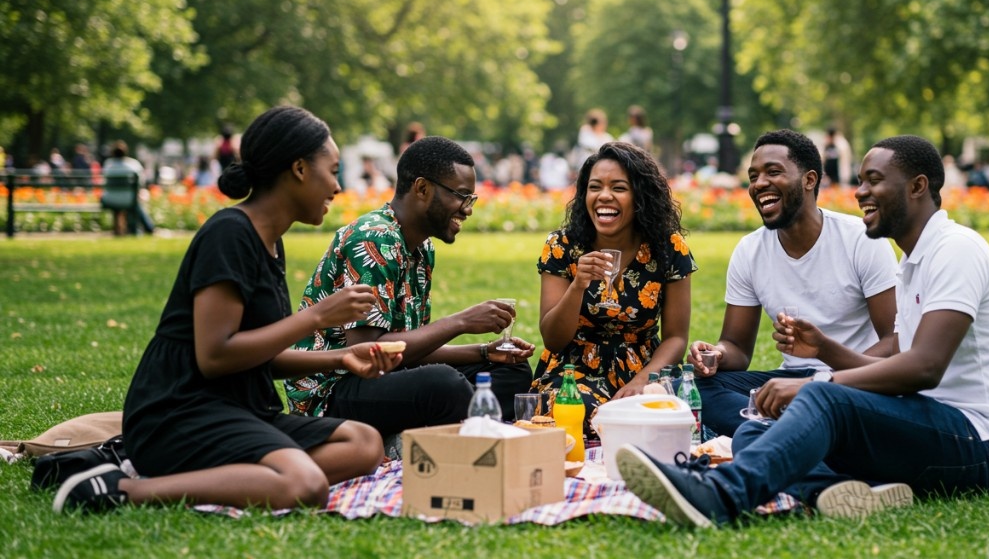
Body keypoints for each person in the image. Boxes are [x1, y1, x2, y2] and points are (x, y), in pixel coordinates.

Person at [617, 135, 989, 527]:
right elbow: (903, 363)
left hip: (980, 442)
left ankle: (720, 495)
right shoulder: (912, 265)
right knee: (757, 431)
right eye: (861, 181)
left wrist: (819, 382)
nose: (860, 192)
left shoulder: (956, 249)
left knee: (815, 401)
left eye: (874, 180)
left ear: (918, 186)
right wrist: (825, 351)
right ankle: (848, 490)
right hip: (919, 419)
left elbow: (924, 367)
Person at [51, 106, 396, 514]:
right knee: (304, 485)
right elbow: (214, 356)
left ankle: (245, 477)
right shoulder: (230, 234)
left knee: (365, 443)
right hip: (181, 412)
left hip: (242, 408)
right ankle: (119, 488)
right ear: (299, 168)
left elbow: (256, 354)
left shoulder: (270, 242)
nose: (337, 186)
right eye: (332, 170)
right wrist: (317, 316)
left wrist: (341, 357)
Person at [284, 136, 535, 429]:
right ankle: (433, 434)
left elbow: (408, 351)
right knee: (444, 384)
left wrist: (483, 352)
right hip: (333, 392)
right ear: (422, 188)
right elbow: (370, 352)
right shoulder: (374, 237)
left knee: (510, 372)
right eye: (461, 195)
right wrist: (461, 322)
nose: (467, 209)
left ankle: (448, 425)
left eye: (471, 199)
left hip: (384, 379)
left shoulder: (421, 247)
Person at [687, 130, 897, 437]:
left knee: (804, 407)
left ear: (809, 180)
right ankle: (791, 435)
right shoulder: (750, 250)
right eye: (753, 176)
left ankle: (770, 436)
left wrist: (822, 373)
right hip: (789, 383)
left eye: (773, 172)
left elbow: (895, 342)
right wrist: (716, 354)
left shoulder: (860, 240)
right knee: (697, 387)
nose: (759, 184)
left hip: (853, 380)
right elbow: (737, 348)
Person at [535, 141, 696, 438]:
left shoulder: (668, 247)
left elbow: (676, 338)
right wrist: (578, 286)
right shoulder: (562, 246)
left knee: (659, 419)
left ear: (640, 197)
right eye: (594, 187)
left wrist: (642, 381)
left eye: (619, 188)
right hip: (574, 369)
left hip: (646, 367)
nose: (604, 196)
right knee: (576, 413)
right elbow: (554, 340)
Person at [101, 140, 154, 235]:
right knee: (135, 204)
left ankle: (120, 230)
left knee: (126, 203)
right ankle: (144, 228)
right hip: (129, 199)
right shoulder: (133, 164)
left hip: (110, 199)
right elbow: (141, 182)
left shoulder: (108, 164)